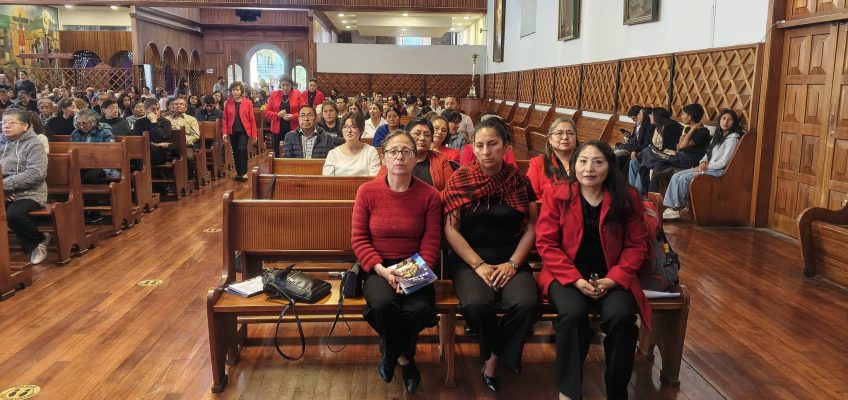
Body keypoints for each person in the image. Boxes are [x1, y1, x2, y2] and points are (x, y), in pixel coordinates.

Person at [535, 140, 652, 400]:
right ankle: (569, 391)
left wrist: (613, 279)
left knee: (622, 317)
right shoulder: (557, 193)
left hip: (611, 275)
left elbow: (636, 245)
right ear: (574, 165)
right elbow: (546, 243)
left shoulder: (626, 197)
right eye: (583, 161)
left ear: (609, 166)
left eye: (598, 162)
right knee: (572, 314)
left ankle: (617, 391)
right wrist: (575, 280)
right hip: (565, 275)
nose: (589, 168)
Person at [442, 118, 539, 392]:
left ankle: (494, 358)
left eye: (493, 144)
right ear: (472, 147)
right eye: (480, 145)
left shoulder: (519, 180)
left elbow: (531, 227)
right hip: (470, 258)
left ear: (506, 146)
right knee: (476, 305)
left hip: (511, 256)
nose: (486, 151)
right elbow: (451, 230)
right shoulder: (461, 178)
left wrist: (513, 264)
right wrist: (478, 265)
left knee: (525, 303)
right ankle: (497, 353)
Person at [350, 130, 442, 395]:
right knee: (383, 304)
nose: (399, 157)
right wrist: (383, 271)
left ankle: (390, 353)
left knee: (420, 309)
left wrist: (408, 276)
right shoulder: (367, 192)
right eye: (393, 151)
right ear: (384, 157)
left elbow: (431, 244)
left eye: (406, 151)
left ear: (415, 158)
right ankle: (405, 360)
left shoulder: (429, 195)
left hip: (416, 265)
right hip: (379, 267)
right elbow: (359, 239)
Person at [663, 109, 745, 220]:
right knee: (676, 176)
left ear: (734, 122)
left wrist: (706, 167)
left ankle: (675, 208)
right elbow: (707, 153)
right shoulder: (718, 136)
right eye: (723, 118)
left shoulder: (733, 139)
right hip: (708, 168)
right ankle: (671, 208)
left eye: (730, 120)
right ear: (719, 120)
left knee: (683, 178)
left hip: (718, 172)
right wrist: (702, 162)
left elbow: (724, 162)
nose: (726, 122)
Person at [1, 108, 51, 264]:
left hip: (30, 193)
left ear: (25, 126)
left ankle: (39, 241)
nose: (6, 126)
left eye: (11, 122)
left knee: (13, 215)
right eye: (4, 122)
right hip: (3, 191)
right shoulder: (1, 142)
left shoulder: (35, 144)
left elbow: (36, 173)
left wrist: (4, 185)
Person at [637, 104, 707, 193]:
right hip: (680, 157)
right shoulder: (687, 129)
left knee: (648, 150)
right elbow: (678, 148)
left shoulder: (703, 131)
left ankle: (642, 158)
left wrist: (692, 129)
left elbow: (683, 146)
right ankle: (652, 196)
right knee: (657, 166)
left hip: (688, 160)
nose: (681, 117)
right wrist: (682, 139)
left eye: (683, 114)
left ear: (689, 117)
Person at [628, 108, 682, 195]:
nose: (650, 117)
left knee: (645, 158)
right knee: (635, 161)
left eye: (652, 115)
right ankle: (634, 190)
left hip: (667, 154)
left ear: (657, 117)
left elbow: (668, 146)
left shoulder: (672, 127)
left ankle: (638, 193)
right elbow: (649, 142)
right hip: (654, 153)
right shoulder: (655, 126)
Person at [526, 117, 579, 199]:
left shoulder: (586, 163)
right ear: (550, 139)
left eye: (570, 133)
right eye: (559, 133)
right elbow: (532, 198)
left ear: (576, 138)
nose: (565, 137)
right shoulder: (537, 163)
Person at [221, 81, 257, 181]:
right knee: (236, 151)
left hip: (244, 131)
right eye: (233, 90)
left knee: (242, 149)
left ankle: (244, 173)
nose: (235, 92)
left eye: (237, 90)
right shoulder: (228, 102)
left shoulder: (248, 102)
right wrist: (224, 132)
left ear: (241, 91)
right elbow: (225, 119)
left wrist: (254, 135)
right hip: (233, 131)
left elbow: (252, 119)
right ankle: (239, 173)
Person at [265, 75, 303, 157]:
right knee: (277, 153)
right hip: (277, 129)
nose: (285, 88)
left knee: (294, 153)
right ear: (280, 85)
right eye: (283, 85)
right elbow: (267, 112)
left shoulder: (298, 94)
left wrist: (293, 116)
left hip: (293, 128)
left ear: (291, 85)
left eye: (288, 85)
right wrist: (277, 114)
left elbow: (303, 111)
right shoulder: (274, 94)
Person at [131, 98, 173, 166]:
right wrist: (154, 144)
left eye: (158, 109)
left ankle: (142, 172)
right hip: (143, 152)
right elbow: (137, 141)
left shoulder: (165, 122)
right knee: (140, 151)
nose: (156, 112)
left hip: (161, 152)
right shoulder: (139, 122)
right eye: (153, 109)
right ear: (146, 110)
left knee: (146, 152)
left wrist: (154, 122)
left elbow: (161, 139)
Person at [615, 107, 653, 176]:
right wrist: (629, 137)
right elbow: (636, 139)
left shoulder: (649, 127)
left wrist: (635, 151)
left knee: (625, 161)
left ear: (646, 116)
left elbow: (645, 143)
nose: (638, 117)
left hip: (638, 150)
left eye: (639, 114)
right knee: (617, 158)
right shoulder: (638, 125)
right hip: (633, 148)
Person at [165, 97, 200, 170]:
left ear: (185, 108)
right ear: (172, 106)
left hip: (186, 146)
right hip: (169, 146)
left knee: (188, 158)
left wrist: (183, 141)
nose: (178, 106)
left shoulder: (191, 119)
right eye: (176, 104)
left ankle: (189, 175)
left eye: (181, 104)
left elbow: (195, 135)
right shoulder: (166, 119)